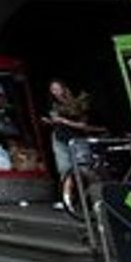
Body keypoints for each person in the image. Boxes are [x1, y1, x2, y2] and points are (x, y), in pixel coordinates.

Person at [43, 80, 99, 208]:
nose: (55, 92)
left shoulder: (79, 103)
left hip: (77, 138)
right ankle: (67, 201)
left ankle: (97, 199)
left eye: (57, 89)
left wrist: (63, 121)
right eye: (52, 90)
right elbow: (55, 121)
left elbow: (83, 125)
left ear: (64, 88)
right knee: (64, 169)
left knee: (85, 170)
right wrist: (51, 122)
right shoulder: (54, 104)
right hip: (59, 138)